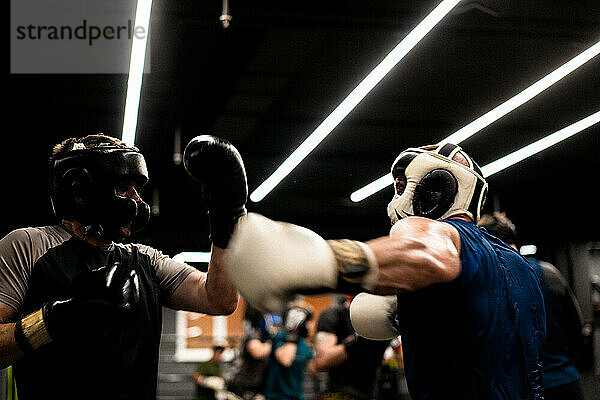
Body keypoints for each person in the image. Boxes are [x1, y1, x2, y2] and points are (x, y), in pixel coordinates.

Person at [226, 143, 546, 399]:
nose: (395, 201)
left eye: (403, 186)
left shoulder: (442, 235)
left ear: (436, 190)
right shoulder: (522, 267)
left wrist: (319, 260)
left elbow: (428, 250)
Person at [0, 133, 246, 399]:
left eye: (137, 189)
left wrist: (228, 217)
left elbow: (220, 299)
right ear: (79, 190)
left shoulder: (146, 260)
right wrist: (57, 317)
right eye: (123, 188)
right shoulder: (27, 246)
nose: (137, 201)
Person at [477, 211, 588, 400]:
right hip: (563, 383)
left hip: (516, 390)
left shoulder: (480, 283)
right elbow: (576, 330)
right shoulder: (549, 273)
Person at [314, 295, 389, 400]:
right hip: (338, 394)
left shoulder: (381, 320)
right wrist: (357, 341)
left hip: (369, 394)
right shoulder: (334, 315)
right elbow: (321, 362)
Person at [264, 299, 315, 400]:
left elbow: (313, 369)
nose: (311, 325)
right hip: (277, 397)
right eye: (308, 321)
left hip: (297, 396)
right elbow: (285, 360)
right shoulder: (280, 337)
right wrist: (292, 332)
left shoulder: (303, 343)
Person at [227, 305, 279, 400]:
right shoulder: (252, 335)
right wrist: (277, 341)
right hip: (240, 389)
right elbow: (257, 351)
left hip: (257, 388)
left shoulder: (265, 337)